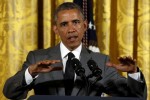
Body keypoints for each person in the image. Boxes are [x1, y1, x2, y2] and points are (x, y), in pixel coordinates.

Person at [3, 2, 147, 99]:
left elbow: (136, 97)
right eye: (64, 24)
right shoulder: (37, 58)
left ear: (85, 26)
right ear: (56, 29)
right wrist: (30, 72)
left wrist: (133, 73)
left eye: (76, 22)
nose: (71, 29)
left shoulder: (100, 61)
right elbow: (9, 92)